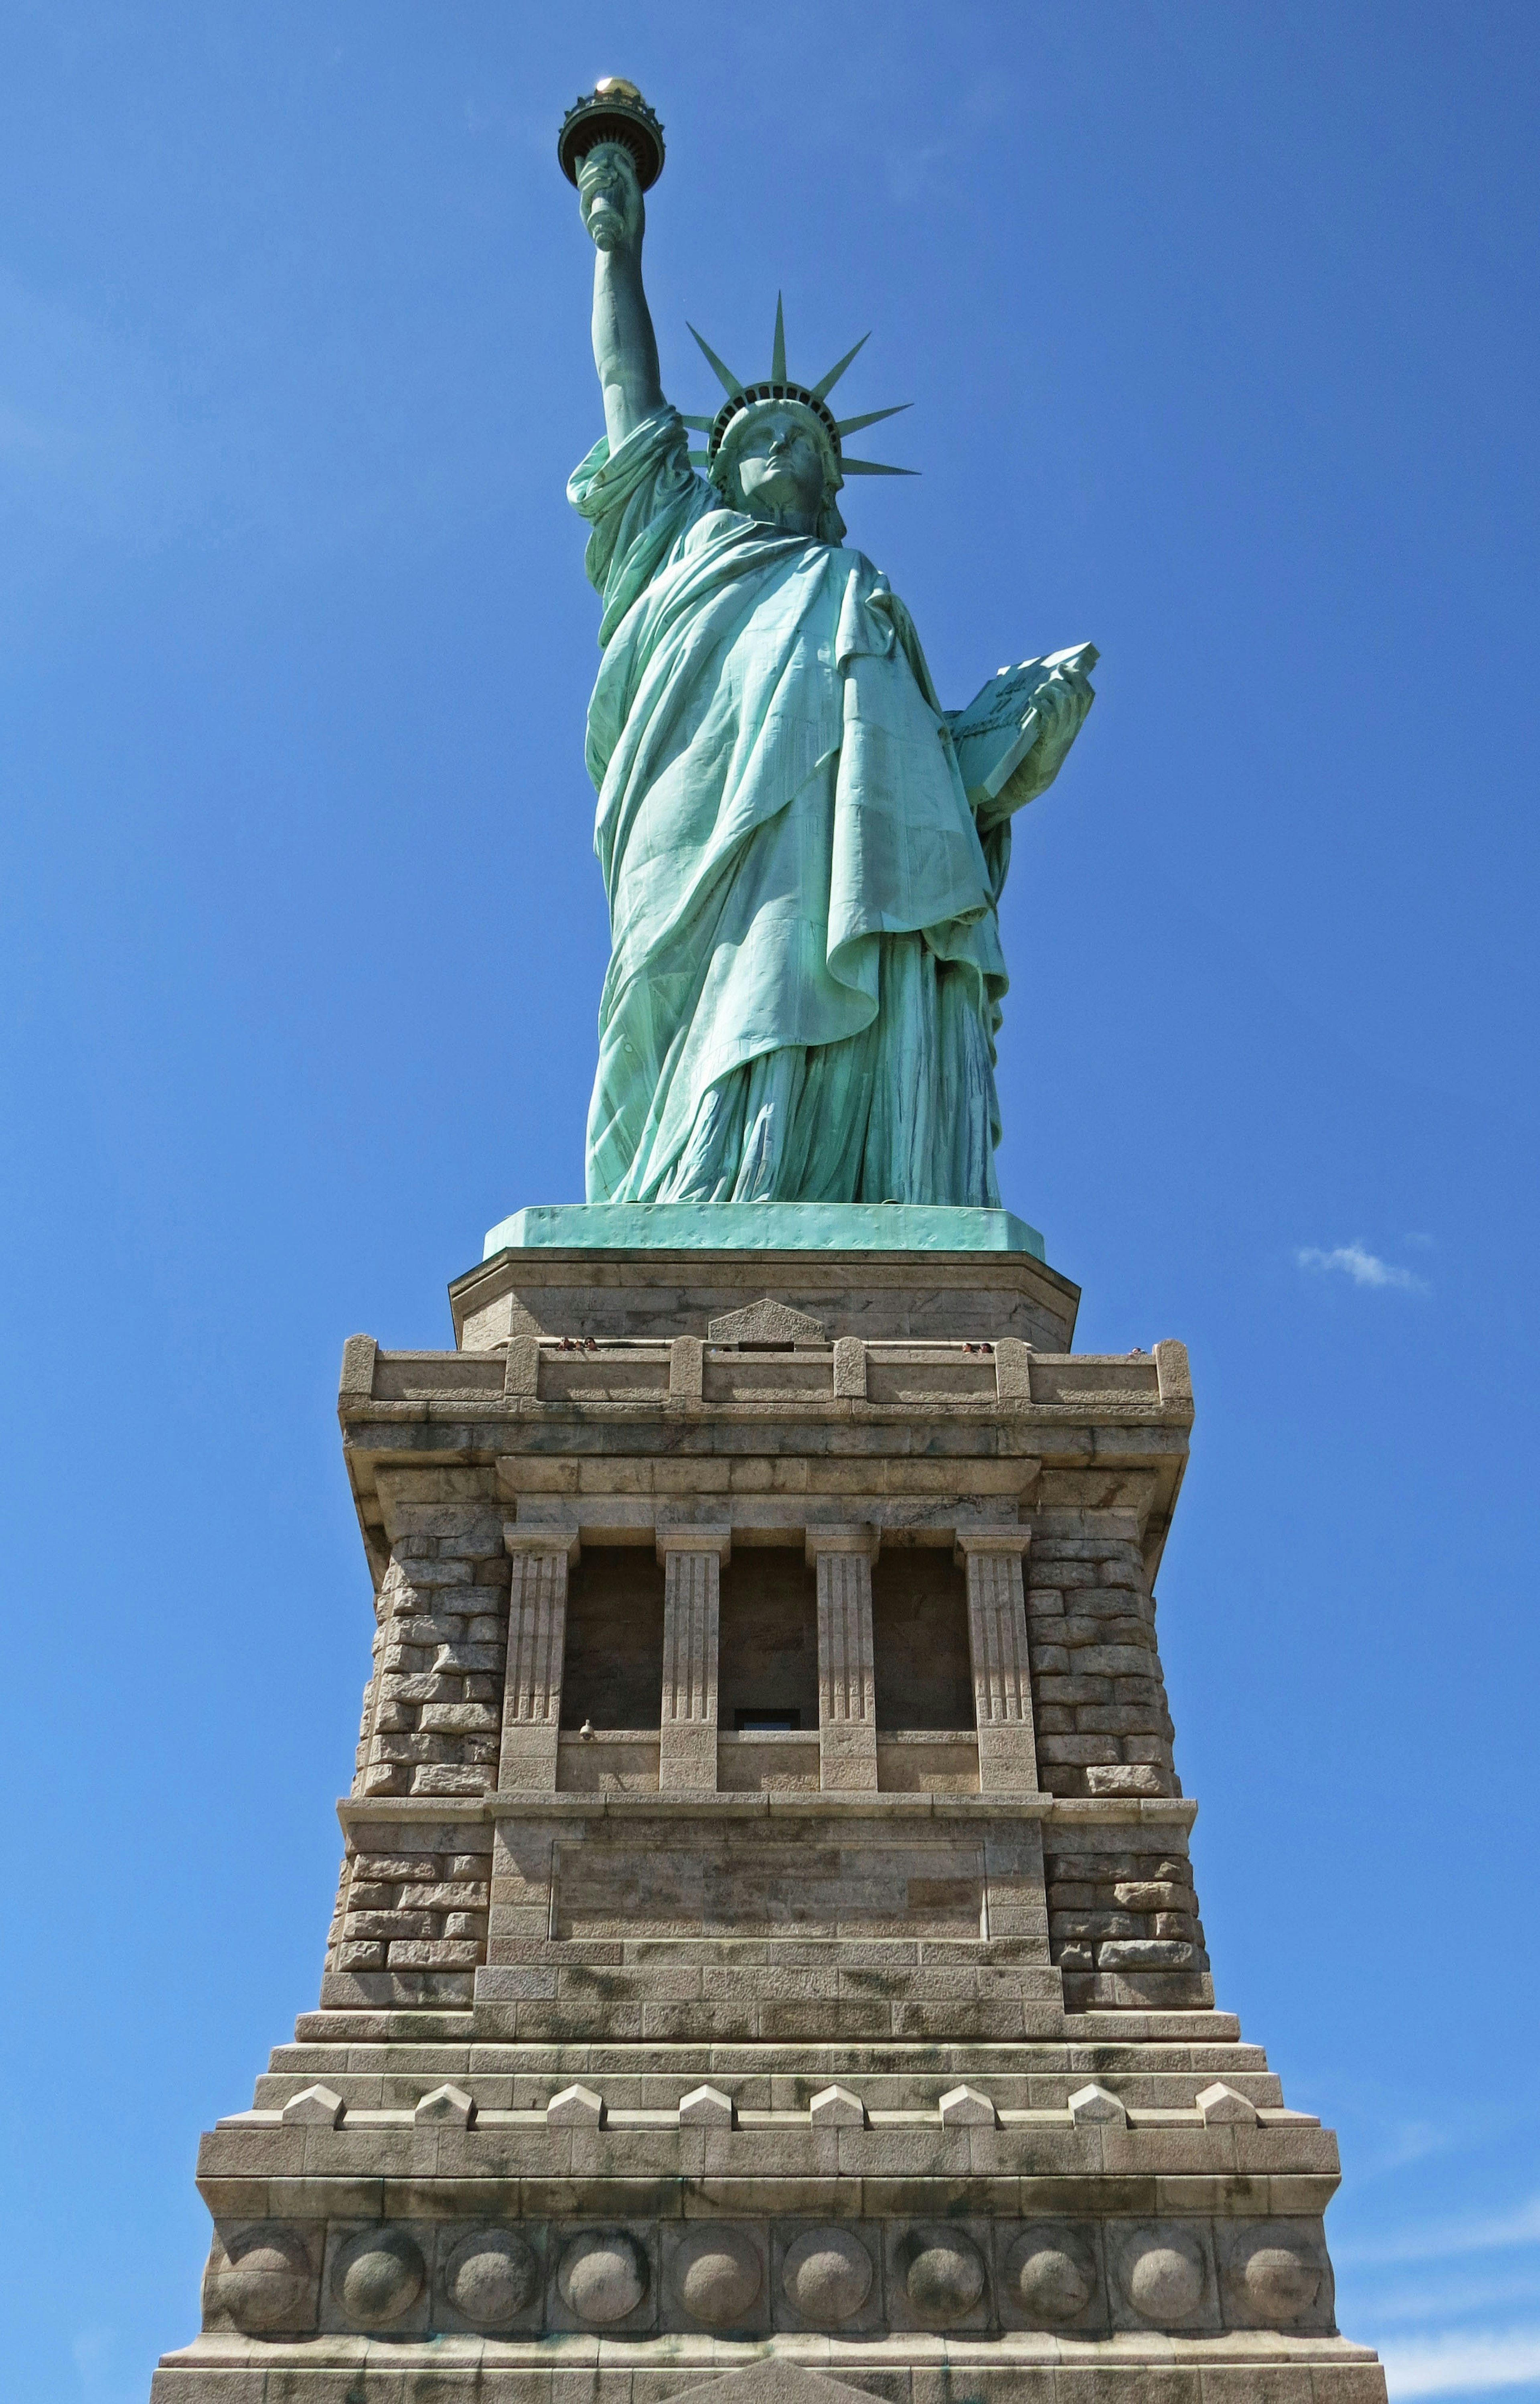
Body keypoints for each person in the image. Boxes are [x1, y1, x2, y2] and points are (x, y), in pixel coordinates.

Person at [569, 137, 1091, 1207]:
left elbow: (928, 788)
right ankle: (695, 1191)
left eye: (795, 438)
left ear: (834, 485)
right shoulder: (681, 538)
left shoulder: (864, 594)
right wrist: (618, 248)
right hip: (704, 823)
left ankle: (839, 1189)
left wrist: (1007, 749)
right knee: (714, 990)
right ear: (713, 473)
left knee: (838, 959)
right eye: (750, 437)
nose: (769, 448)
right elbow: (628, 385)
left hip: (848, 853)